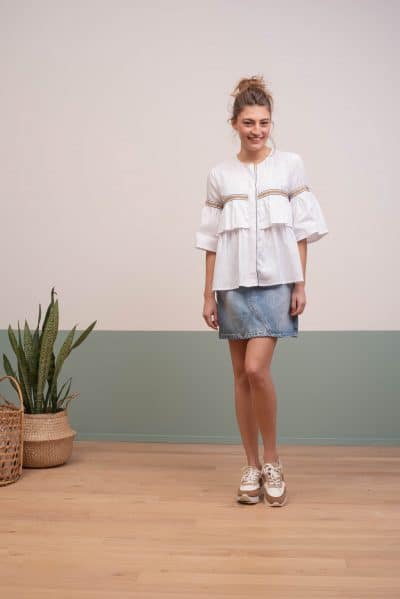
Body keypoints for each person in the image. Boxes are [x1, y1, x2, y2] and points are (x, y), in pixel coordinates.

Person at [195, 75, 329, 507]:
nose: (257, 130)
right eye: (249, 122)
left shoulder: (290, 165)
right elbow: (211, 241)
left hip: (276, 284)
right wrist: (207, 294)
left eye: (264, 122)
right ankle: (250, 465)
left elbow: (303, 231)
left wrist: (300, 283)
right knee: (239, 376)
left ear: (271, 123)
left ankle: (273, 461)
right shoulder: (219, 175)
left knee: (256, 370)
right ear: (234, 123)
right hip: (231, 285)